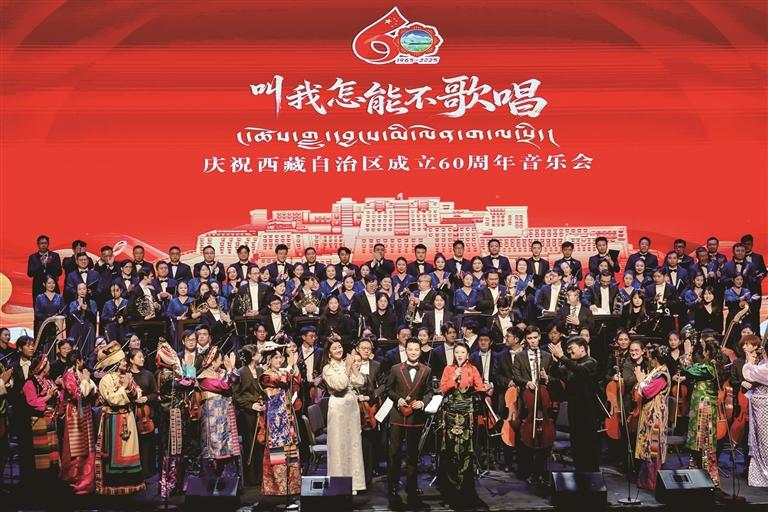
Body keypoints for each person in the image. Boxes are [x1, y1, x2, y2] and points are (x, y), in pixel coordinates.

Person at [386, 338, 433, 510]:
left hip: (416, 417)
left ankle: (412, 488)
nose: (413, 352)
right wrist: (397, 399)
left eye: (416, 349)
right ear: (405, 350)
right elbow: (388, 389)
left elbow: (429, 391)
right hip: (397, 417)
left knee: (413, 455)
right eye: (410, 349)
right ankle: (392, 487)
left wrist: (423, 402)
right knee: (394, 453)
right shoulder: (395, 369)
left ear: (420, 351)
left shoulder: (426, 370)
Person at [438, 341, 486, 508]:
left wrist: (479, 390)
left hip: (467, 416)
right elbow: (442, 389)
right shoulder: (448, 369)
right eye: (457, 352)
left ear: (467, 354)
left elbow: (480, 388)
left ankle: (465, 492)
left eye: (462, 352)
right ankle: (450, 492)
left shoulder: (473, 369)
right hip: (450, 415)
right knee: (450, 451)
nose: (459, 355)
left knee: (466, 451)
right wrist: (453, 378)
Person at [94, 341, 146, 495]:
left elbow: (138, 392)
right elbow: (113, 399)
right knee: (114, 452)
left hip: (128, 417)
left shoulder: (127, 376)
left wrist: (131, 389)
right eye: (122, 361)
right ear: (115, 363)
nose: (125, 363)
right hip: (113, 419)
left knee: (129, 450)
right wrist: (125, 387)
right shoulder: (106, 380)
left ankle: (131, 483)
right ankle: (114, 484)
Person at [549, 336, 600, 472]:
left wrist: (562, 357)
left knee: (588, 441)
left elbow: (581, 371)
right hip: (574, 407)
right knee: (576, 441)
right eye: (568, 349)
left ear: (582, 348)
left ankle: (592, 473)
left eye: (572, 348)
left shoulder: (591, 362)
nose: (569, 351)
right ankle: (579, 471)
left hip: (588, 409)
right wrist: (556, 361)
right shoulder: (571, 364)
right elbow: (558, 375)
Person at [322, 340, 366, 493]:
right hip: (338, 408)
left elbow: (360, 382)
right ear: (329, 353)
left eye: (340, 346)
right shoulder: (327, 368)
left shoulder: (345, 364)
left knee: (353, 444)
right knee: (338, 445)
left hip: (352, 409)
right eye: (334, 348)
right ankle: (339, 485)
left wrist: (353, 367)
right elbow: (340, 385)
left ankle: (355, 484)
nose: (338, 349)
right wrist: (348, 368)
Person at [511, 325, 554, 484]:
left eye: (535, 338)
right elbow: (516, 376)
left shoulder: (547, 356)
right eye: (529, 338)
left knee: (544, 437)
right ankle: (526, 470)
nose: (533, 341)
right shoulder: (520, 356)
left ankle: (541, 471)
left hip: (543, 401)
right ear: (526, 340)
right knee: (525, 436)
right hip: (527, 400)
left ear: (539, 337)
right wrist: (526, 382)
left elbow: (553, 378)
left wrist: (546, 378)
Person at [259, 347, 302, 497]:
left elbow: (296, 381)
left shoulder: (282, 372)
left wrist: (293, 366)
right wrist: (289, 367)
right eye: (276, 358)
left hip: (287, 415)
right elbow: (281, 381)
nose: (279, 360)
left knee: (290, 449)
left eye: (280, 358)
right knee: (277, 451)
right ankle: (278, 487)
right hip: (275, 419)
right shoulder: (265, 376)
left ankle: (292, 486)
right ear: (269, 360)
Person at [681, 336, 721, 488]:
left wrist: (687, 353)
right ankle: (696, 476)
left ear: (708, 352)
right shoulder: (706, 366)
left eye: (703, 350)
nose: (701, 353)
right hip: (698, 407)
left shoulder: (709, 368)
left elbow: (689, 369)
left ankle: (709, 479)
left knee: (705, 442)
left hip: (705, 408)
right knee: (697, 442)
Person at [197, 346, 241, 480]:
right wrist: (229, 371)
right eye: (219, 360)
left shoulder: (221, 373)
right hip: (212, 419)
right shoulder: (204, 377)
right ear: (212, 361)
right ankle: (212, 479)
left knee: (228, 446)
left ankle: (229, 479)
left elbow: (236, 380)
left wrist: (231, 369)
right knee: (213, 448)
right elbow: (224, 385)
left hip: (225, 417)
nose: (221, 363)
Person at [633, 345, 672, 490]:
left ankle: (652, 482)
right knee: (647, 448)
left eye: (651, 358)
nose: (649, 361)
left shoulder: (662, 375)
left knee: (653, 449)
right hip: (649, 413)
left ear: (656, 359)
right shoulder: (655, 372)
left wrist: (640, 379)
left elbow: (648, 392)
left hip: (656, 416)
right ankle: (645, 481)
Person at [59, 349, 97, 494]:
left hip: (85, 411)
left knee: (88, 445)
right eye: (82, 360)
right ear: (78, 361)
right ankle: (75, 479)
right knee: (77, 447)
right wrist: (86, 380)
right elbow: (78, 395)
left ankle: (87, 479)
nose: (84, 362)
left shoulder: (80, 373)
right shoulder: (68, 376)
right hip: (74, 414)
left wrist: (87, 380)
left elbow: (93, 391)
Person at [22, 354, 61, 487]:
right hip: (38, 421)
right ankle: (41, 482)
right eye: (48, 363)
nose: (49, 365)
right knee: (42, 452)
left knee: (52, 449)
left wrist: (56, 393)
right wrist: (47, 397)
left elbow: (57, 396)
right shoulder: (30, 383)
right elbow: (32, 402)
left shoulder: (48, 381)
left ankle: (52, 478)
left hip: (50, 419)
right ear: (42, 367)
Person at [234, 344, 266, 487]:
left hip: (260, 409)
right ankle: (250, 477)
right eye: (257, 353)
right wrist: (250, 405)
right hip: (247, 413)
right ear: (252, 356)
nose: (259, 354)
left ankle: (260, 475)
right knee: (249, 442)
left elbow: (264, 389)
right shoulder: (241, 372)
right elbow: (236, 395)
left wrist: (263, 402)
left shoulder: (260, 370)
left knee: (260, 442)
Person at [128, 348, 158, 479]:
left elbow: (155, 394)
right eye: (139, 357)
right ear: (131, 360)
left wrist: (146, 398)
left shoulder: (148, 374)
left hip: (146, 414)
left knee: (146, 443)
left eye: (143, 357)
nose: (142, 359)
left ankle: (146, 472)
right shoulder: (127, 375)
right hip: (131, 413)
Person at [742, 335, 768, 487]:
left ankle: (763, 474)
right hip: (759, 405)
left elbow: (749, 373)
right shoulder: (763, 364)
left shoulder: (764, 368)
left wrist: (749, 361)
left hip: (763, 406)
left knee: (764, 441)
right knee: (759, 440)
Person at [27, 235, 63, 305]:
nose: (43, 245)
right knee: (38, 307)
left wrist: (49, 264)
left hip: (52, 286)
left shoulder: (55, 255)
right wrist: (41, 265)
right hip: (38, 287)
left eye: (45, 243)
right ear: (38, 244)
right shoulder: (32, 257)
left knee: (55, 306)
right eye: (41, 243)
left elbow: (59, 272)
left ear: (48, 244)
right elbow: (30, 273)